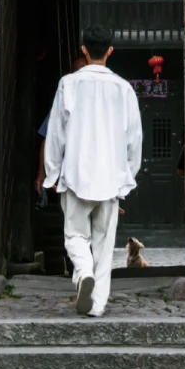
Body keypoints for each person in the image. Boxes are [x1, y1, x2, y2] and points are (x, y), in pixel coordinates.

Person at [42, 23, 143, 317]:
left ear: (84, 50)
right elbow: (133, 138)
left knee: (75, 235)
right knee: (103, 242)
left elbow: (56, 133)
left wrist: (53, 172)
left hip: (76, 174)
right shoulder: (124, 89)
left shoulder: (68, 84)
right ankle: (97, 304)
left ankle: (82, 271)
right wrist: (127, 177)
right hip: (110, 177)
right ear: (110, 51)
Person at [35, 52, 87, 199]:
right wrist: (42, 173)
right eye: (78, 72)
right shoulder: (64, 102)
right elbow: (48, 138)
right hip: (71, 175)